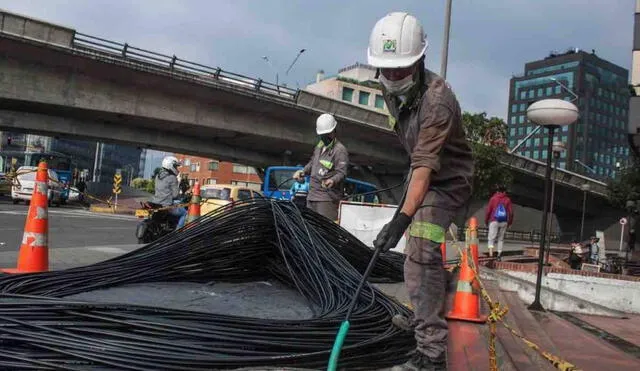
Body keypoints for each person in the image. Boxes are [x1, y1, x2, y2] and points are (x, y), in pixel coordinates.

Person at [368, 12, 474, 370]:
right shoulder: (389, 86)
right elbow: (417, 161)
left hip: (448, 182)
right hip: (421, 173)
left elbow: (428, 165)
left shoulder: (438, 100)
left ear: (419, 61)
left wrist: (400, 220)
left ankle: (431, 352)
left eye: (401, 70)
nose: (393, 77)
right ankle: (423, 317)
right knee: (416, 257)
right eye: (387, 70)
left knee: (421, 252)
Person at [293, 113, 349, 221]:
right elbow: (312, 162)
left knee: (324, 231)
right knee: (311, 229)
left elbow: (341, 173)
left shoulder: (339, 150)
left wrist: (332, 180)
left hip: (326, 199)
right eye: (322, 135)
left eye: (327, 134)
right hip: (312, 195)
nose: (324, 138)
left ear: (333, 131)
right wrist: (302, 172)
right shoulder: (319, 146)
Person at [151, 156, 187, 229]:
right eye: (175, 166)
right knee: (185, 213)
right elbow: (175, 195)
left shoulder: (158, 176)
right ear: (170, 165)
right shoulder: (172, 178)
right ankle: (177, 233)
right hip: (166, 205)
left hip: (156, 203)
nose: (176, 168)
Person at [485, 185, 514, 261]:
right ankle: (499, 255)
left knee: (491, 238)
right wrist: (510, 222)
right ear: (504, 192)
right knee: (500, 239)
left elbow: (488, 211)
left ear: (497, 191)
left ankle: (491, 255)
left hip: (494, 220)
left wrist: (486, 220)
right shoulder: (508, 200)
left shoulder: (493, 199)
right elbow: (511, 213)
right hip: (504, 221)